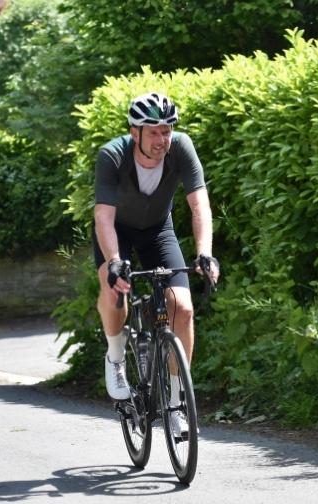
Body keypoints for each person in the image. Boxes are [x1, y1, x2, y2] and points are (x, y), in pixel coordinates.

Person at [93, 92, 220, 434]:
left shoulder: (182, 148)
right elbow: (103, 216)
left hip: (157, 231)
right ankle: (116, 358)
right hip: (117, 231)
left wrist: (204, 253)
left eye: (167, 131)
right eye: (154, 132)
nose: (163, 139)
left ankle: (177, 403)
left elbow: (199, 206)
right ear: (135, 133)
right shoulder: (112, 156)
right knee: (113, 289)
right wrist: (116, 261)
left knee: (183, 308)